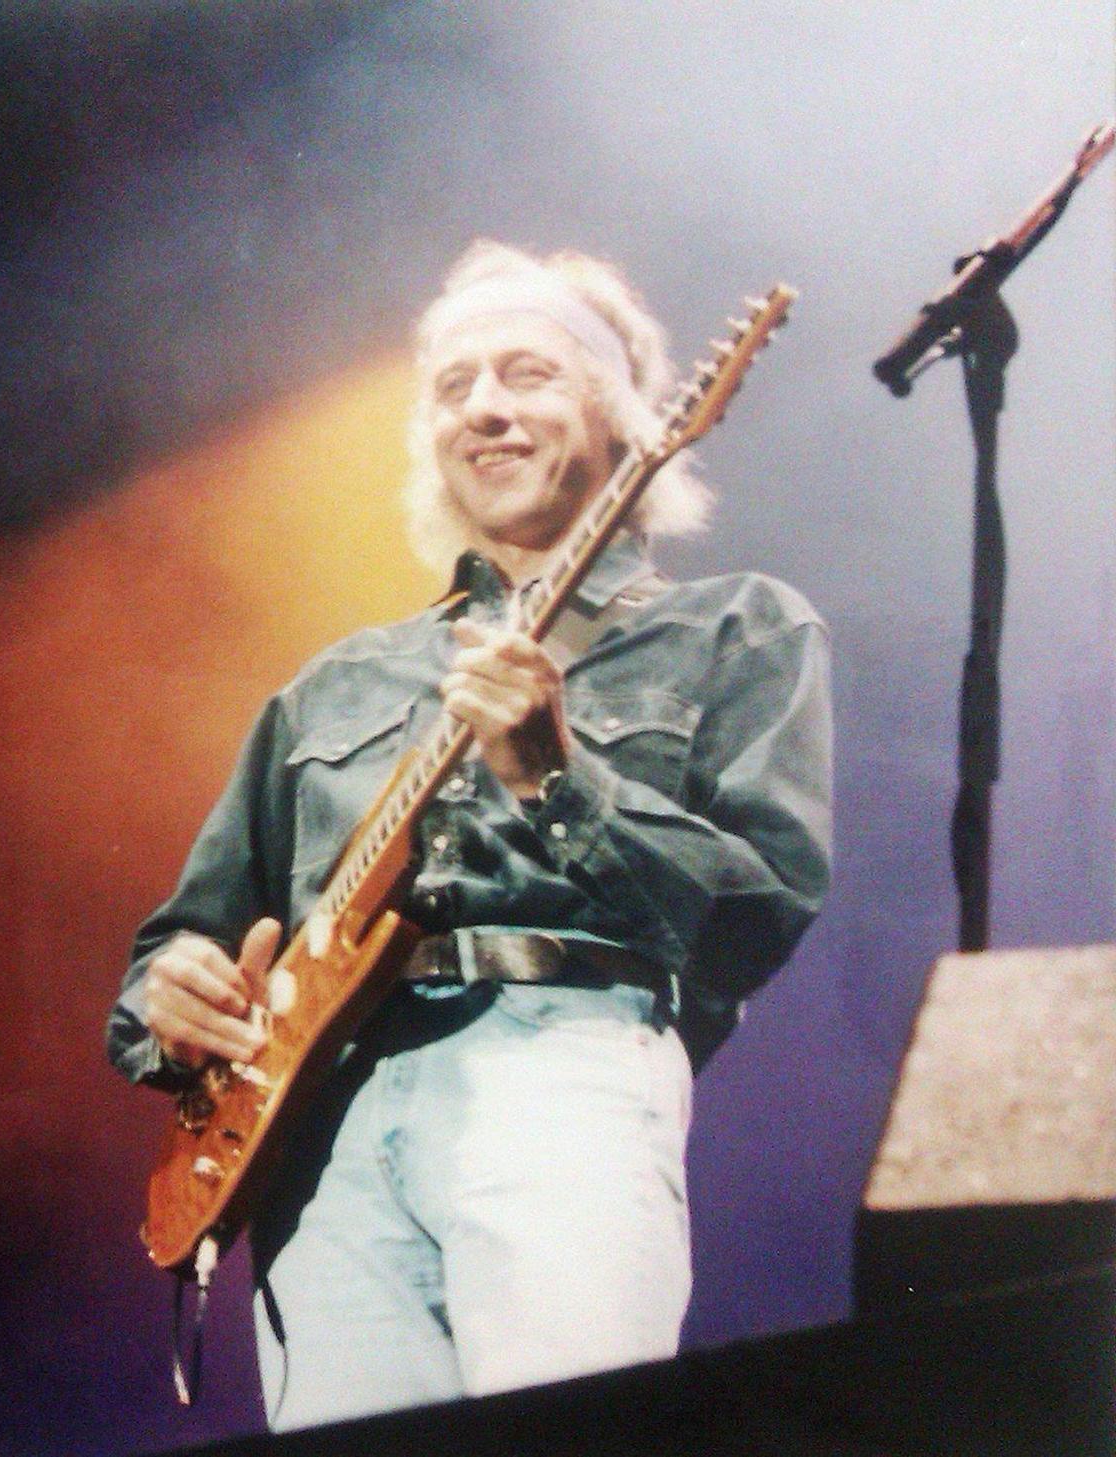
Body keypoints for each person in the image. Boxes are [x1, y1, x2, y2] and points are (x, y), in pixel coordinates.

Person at [107, 241, 832, 1431]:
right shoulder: (331, 685)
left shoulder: (735, 628)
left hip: (561, 1064)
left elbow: (758, 911)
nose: (483, 407)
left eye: (526, 373)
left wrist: (557, 778)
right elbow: (175, 945)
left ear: (623, 414)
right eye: (452, 386)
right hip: (322, 1123)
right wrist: (166, 1000)